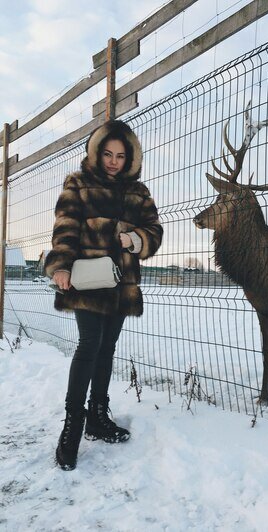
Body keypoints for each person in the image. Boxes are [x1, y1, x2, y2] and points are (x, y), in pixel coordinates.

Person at [44, 120, 163, 471]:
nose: (113, 161)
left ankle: (98, 414)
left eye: (121, 156)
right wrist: (61, 265)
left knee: (107, 348)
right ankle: (73, 426)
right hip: (86, 279)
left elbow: (155, 229)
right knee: (89, 344)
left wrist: (136, 239)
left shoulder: (139, 191)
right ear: (97, 153)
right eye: (108, 154)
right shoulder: (78, 184)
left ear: (130, 159)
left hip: (121, 281)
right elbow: (65, 226)